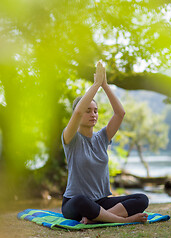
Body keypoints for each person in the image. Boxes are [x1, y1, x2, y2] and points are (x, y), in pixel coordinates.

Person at [61, 62, 149, 224]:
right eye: (88, 111)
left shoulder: (102, 137)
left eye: (95, 111)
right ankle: (123, 220)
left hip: (101, 201)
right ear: (78, 115)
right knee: (82, 200)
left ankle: (96, 219)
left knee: (142, 199)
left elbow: (120, 113)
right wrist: (95, 85)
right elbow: (78, 111)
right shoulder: (70, 138)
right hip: (75, 203)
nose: (93, 114)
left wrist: (105, 85)